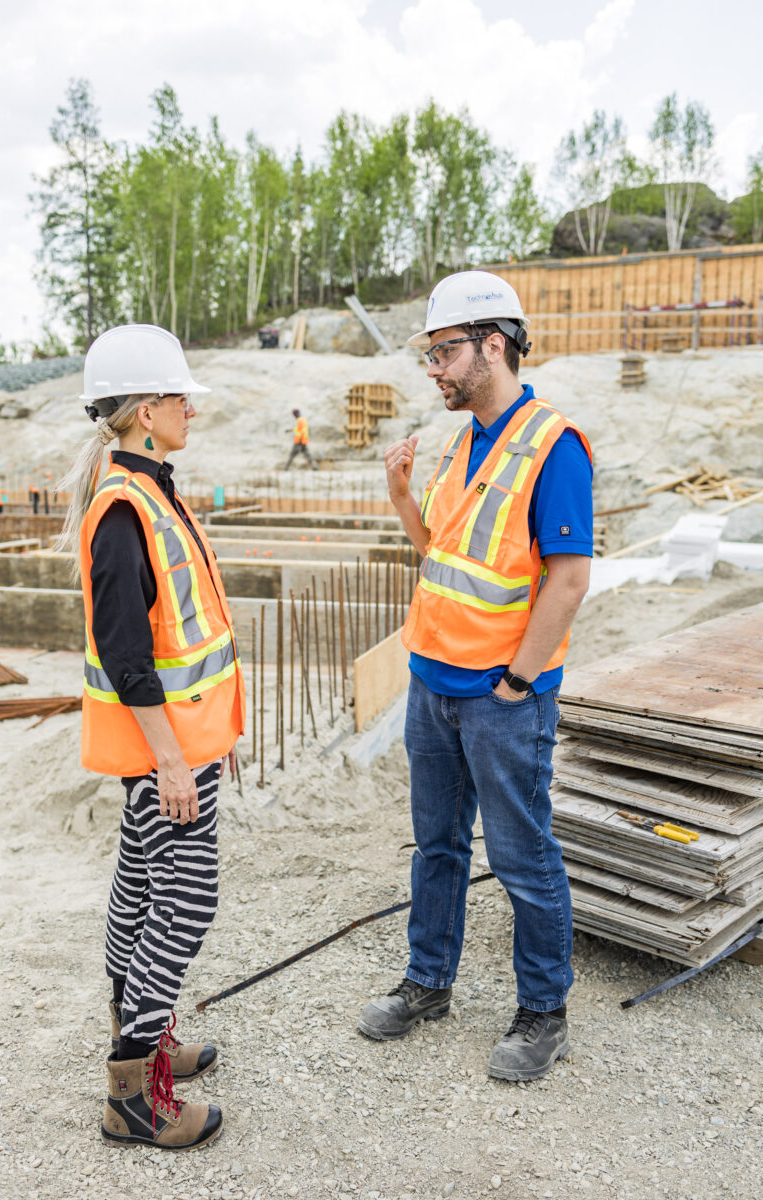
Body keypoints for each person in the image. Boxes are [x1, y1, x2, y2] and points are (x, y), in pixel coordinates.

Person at [357, 271, 593, 1082]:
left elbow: (567, 580)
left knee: (524, 856)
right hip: (434, 684)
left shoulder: (553, 445)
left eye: (444, 351)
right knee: (438, 847)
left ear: (494, 344)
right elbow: (441, 555)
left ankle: (544, 1012)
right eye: (431, 354)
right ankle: (428, 984)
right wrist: (400, 496)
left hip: (501, 698)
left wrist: (519, 684)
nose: (434, 369)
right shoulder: (462, 443)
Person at [57, 324, 245, 1149]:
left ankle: (140, 1034)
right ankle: (133, 1089)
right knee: (187, 897)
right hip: (164, 751)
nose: (188, 407)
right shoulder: (125, 510)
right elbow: (130, 658)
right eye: (177, 396)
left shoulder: (150, 489)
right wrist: (171, 758)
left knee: (140, 886)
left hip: (181, 742)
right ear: (142, 411)